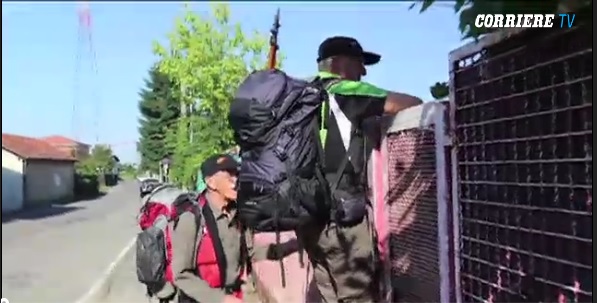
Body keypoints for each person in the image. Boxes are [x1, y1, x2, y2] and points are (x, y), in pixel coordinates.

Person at [298, 36, 423, 303]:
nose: (363, 72)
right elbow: (410, 102)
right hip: (342, 224)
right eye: (359, 64)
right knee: (358, 298)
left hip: (307, 220)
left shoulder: (298, 96)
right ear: (340, 64)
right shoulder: (344, 91)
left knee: (330, 295)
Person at [171, 154, 294, 303]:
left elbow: (251, 253)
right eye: (229, 177)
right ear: (211, 183)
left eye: (237, 175)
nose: (236, 182)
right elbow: (181, 275)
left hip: (235, 296)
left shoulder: (237, 214)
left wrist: (290, 247)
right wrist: (220, 299)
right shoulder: (191, 220)